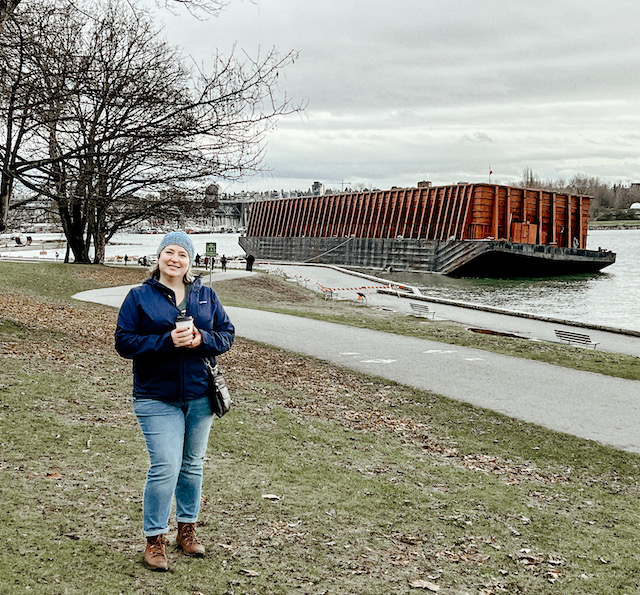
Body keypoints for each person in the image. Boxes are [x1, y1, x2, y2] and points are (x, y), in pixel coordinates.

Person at [115, 230, 235, 571]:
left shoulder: (206, 295)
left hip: (199, 395)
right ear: (158, 257)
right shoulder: (139, 297)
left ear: (190, 261)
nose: (175, 259)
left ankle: (187, 529)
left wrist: (202, 339)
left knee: (192, 464)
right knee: (166, 465)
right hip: (156, 396)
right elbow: (124, 343)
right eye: (169, 252)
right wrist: (166, 341)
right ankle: (155, 538)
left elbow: (227, 334)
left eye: (182, 254)